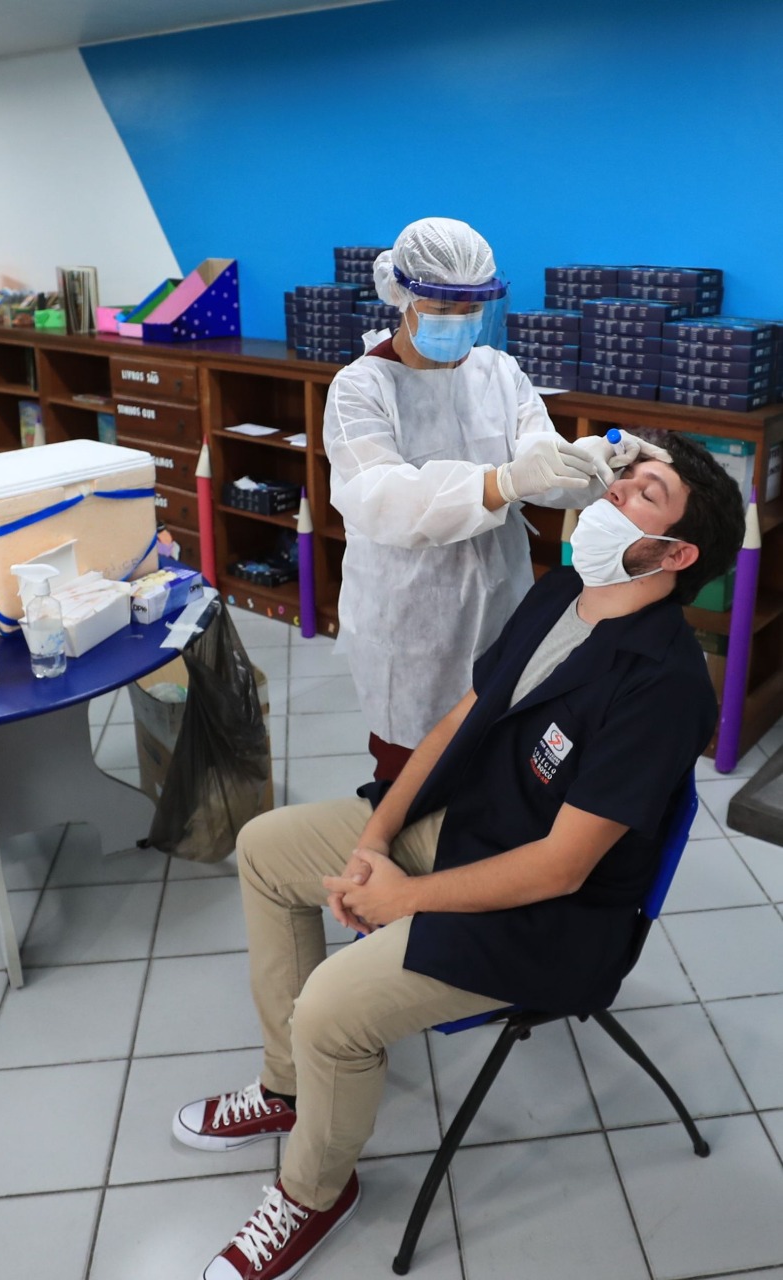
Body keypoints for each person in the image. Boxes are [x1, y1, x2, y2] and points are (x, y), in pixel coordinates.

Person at [173, 431, 743, 1280]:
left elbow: (559, 868)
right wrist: (374, 841)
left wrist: (399, 898)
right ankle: (288, 1090)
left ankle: (314, 1192)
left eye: (640, 494)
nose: (611, 493)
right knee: (265, 848)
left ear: (674, 552)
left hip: (549, 914)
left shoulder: (661, 685)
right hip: (469, 827)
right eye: (620, 478)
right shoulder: (561, 592)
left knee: (331, 1007)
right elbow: (455, 723)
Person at [322, 216, 672, 783]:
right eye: (444, 306)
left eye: (473, 306)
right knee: (411, 767)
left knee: (490, 748)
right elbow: (378, 498)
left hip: (502, 596)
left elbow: (541, 464)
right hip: (410, 612)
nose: (461, 319)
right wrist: (500, 484)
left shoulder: (500, 372)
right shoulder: (360, 388)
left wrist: (593, 462)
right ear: (402, 294)